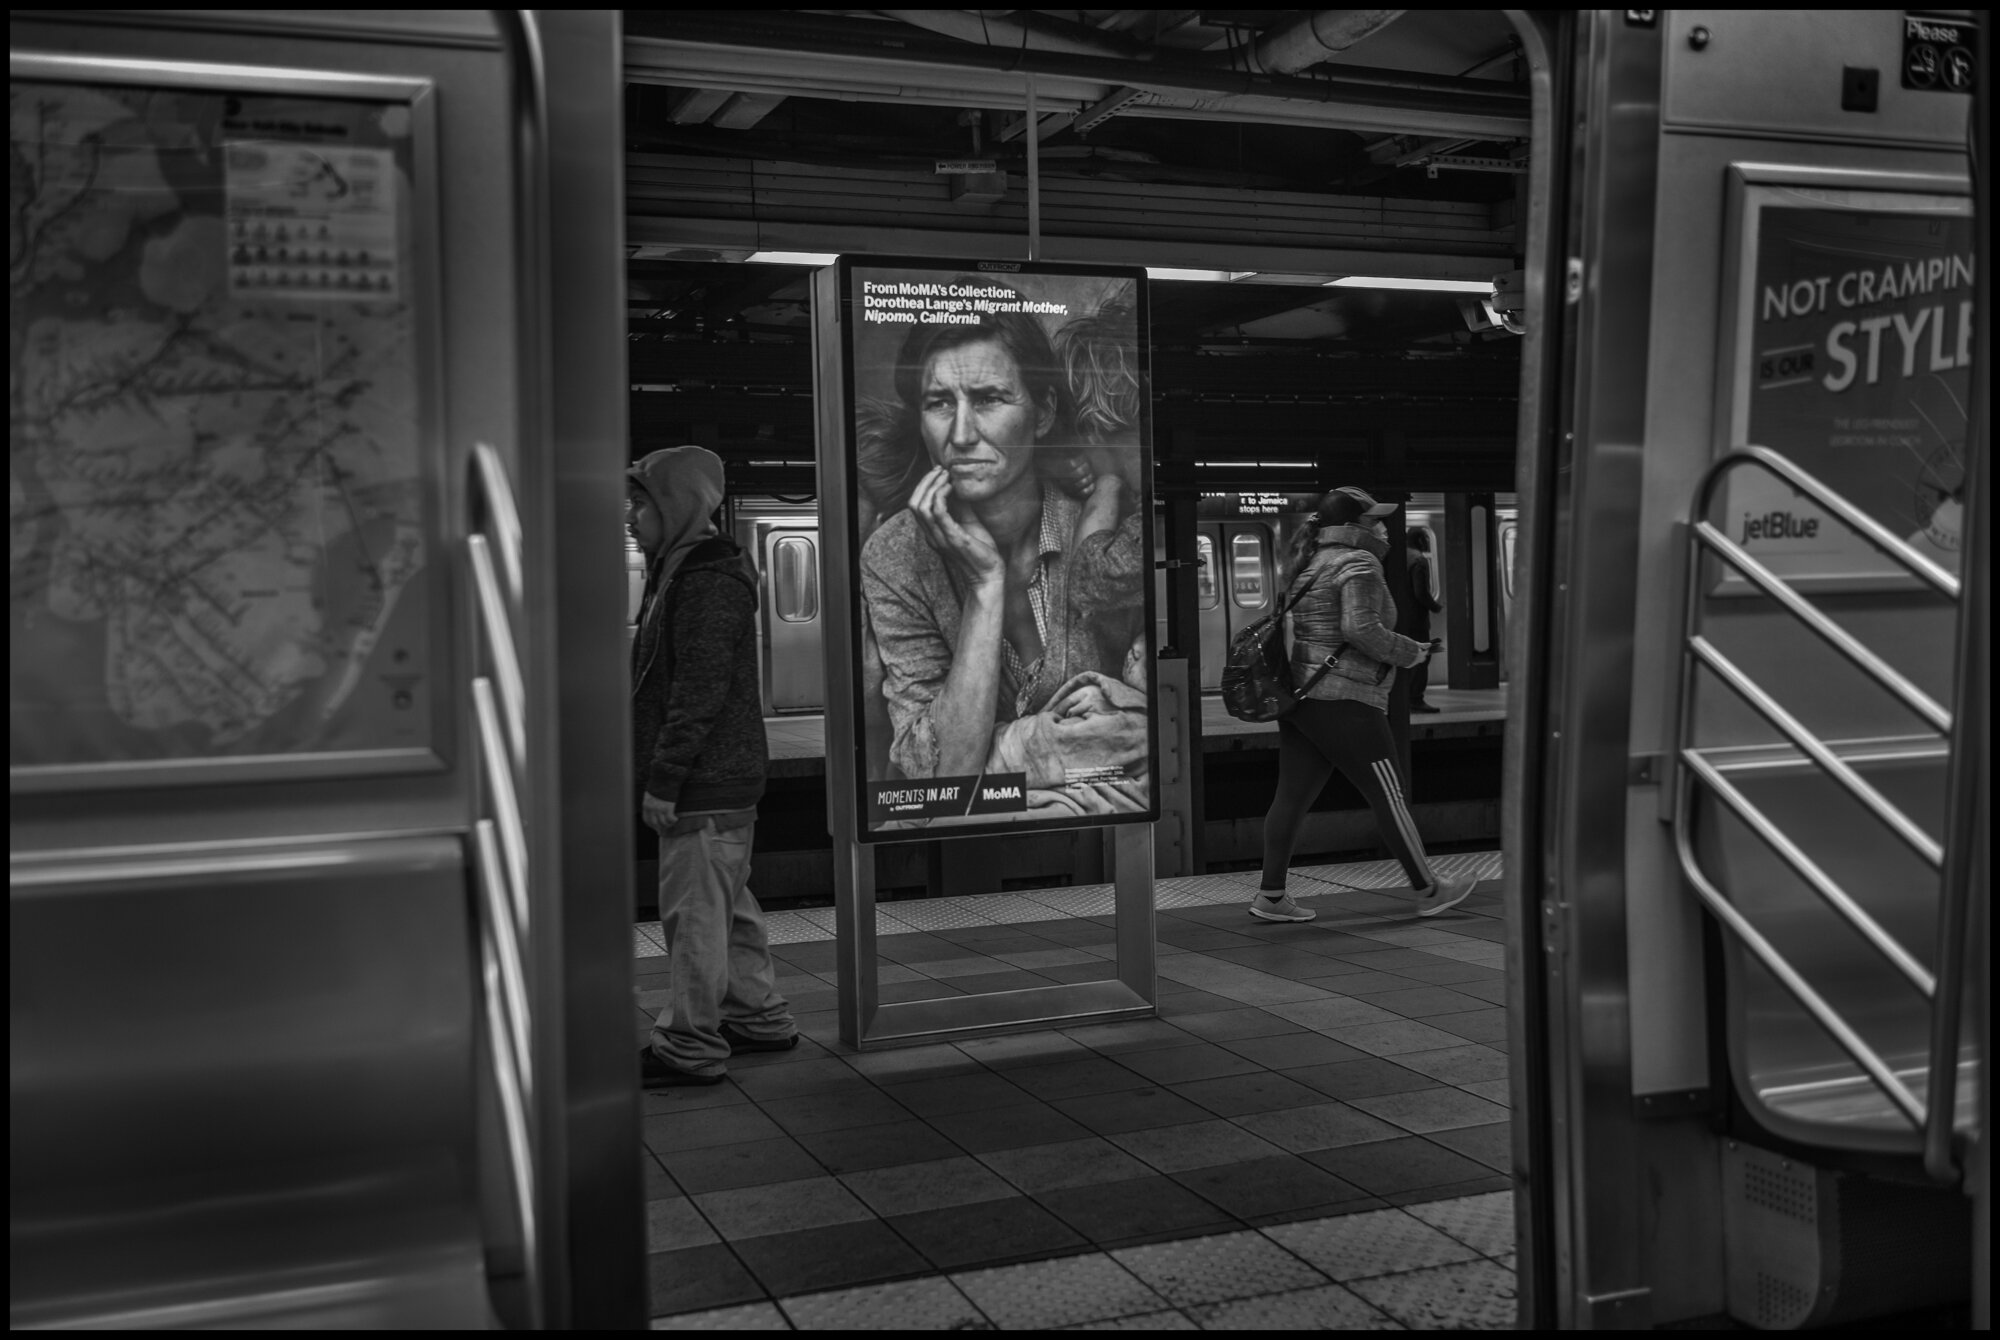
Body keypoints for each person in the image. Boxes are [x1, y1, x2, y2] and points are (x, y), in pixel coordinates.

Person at [858, 284, 1148, 815]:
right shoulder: (895, 555)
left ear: (1041, 412)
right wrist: (985, 587)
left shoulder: (1105, 527)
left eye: (989, 398)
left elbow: (1145, 733)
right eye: (939, 403)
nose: (962, 433)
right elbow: (945, 779)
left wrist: (1001, 750)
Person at [629, 445, 797, 1086]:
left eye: (641, 502)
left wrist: (665, 777)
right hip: (714, 776)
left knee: (695, 914)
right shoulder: (681, 571)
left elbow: (698, 688)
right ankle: (758, 1017)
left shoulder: (703, 581)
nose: (632, 517)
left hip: (704, 779)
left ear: (675, 504)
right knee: (727, 904)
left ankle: (689, 1046)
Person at [1253, 486, 1477, 923]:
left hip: (1304, 698)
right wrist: (1412, 651)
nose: (1382, 527)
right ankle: (1429, 889)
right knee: (1389, 795)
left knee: (1291, 798)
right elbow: (1360, 629)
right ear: (1353, 527)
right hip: (1346, 698)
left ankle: (1271, 896)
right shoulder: (1358, 562)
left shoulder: (1309, 562)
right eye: (1374, 520)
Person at [1404, 527, 1444, 713]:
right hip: (1416, 618)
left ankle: (1403, 698)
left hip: (1400, 617)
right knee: (1422, 657)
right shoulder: (1418, 560)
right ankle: (1416, 699)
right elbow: (1420, 592)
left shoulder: (1399, 556)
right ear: (1421, 541)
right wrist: (1435, 606)